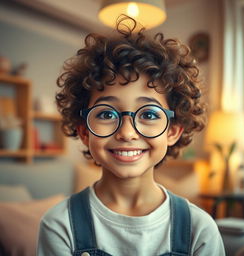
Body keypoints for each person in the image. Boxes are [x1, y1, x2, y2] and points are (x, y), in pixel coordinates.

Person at [37, 15, 225, 256]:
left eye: (148, 114)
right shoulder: (59, 226)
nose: (127, 133)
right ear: (84, 131)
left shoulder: (199, 230)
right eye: (106, 115)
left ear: (173, 131)